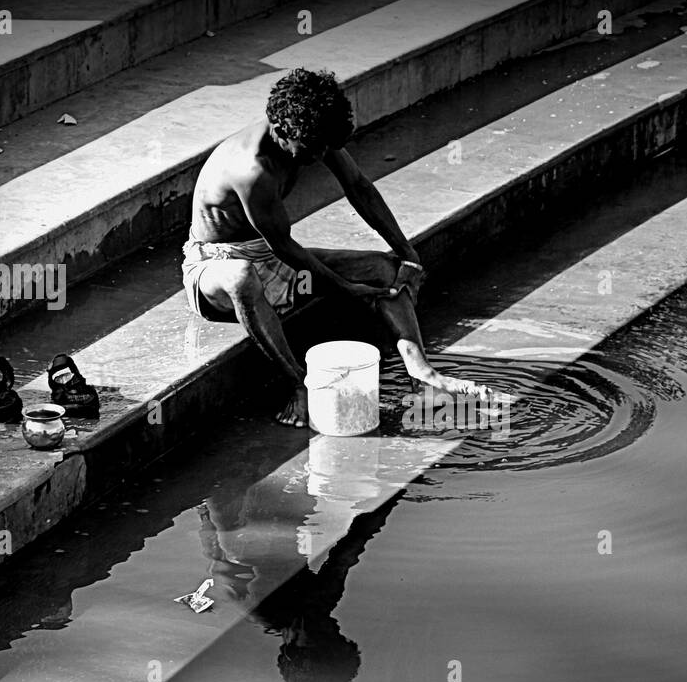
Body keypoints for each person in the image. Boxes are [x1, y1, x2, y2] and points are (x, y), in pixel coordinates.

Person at [183, 66, 489, 426]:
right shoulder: (252, 171)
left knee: (386, 269)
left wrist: (407, 252)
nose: (321, 156)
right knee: (241, 278)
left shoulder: (312, 134)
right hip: (216, 268)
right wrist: (346, 289)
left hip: (270, 254)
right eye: (313, 150)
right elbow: (284, 248)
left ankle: (422, 375)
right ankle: (299, 385)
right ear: (282, 132)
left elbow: (358, 187)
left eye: (326, 147)